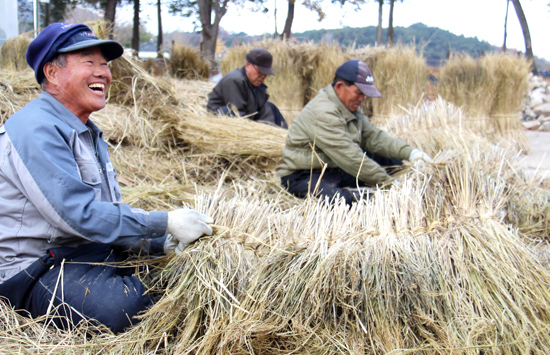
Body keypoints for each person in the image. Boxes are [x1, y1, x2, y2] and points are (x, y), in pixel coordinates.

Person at [0, 23, 214, 333]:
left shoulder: (85, 131)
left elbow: (103, 214)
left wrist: (156, 243)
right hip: (34, 269)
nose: (103, 73)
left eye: (105, 65)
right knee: (128, 310)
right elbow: (77, 215)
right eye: (89, 62)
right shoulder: (36, 128)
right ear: (52, 73)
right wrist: (164, 221)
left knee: (175, 278)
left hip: (80, 252)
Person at [277, 60, 432, 205]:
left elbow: (373, 138)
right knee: (343, 201)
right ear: (339, 87)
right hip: (304, 175)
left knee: (388, 160)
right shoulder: (324, 112)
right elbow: (350, 157)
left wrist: (411, 153)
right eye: (358, 92)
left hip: (334, 169)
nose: (362, 98)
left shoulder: (351, 108)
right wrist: (389, 183)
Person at [207, 48, 288, 128]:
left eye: (265, 73)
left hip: (248, 118)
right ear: (248, 65)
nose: (263, 76)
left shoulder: (256, 85)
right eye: (260, 71)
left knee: (271, 108)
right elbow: (237, 113)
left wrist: (269, 130)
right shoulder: (235, 80)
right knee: (227, 111)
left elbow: (263, 111)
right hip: (224, 124)